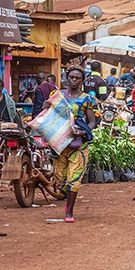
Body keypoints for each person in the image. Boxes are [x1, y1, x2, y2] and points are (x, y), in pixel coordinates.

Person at [50, 66, 96, 223]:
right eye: (71, 77)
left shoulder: (86, 99)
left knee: (74, 179)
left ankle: (69, 211)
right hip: (60, 143)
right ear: (66, 78)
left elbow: (92, 122)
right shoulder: (57, 95)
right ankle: (66, 198)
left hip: (79, 144)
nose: (74, 80)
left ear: (82, 80)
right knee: (59, 178)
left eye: (77, 78)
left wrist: (83, 132)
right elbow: (50, 115)